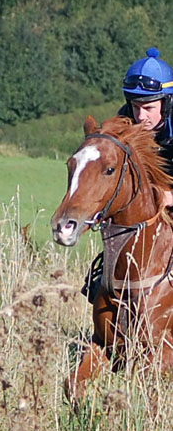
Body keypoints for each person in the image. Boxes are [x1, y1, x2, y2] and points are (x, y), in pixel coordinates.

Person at [83, 47, 173, 302]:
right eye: (135, 106)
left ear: (167, 103)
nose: (141, 116)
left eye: (149, 107)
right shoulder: (125, 121)